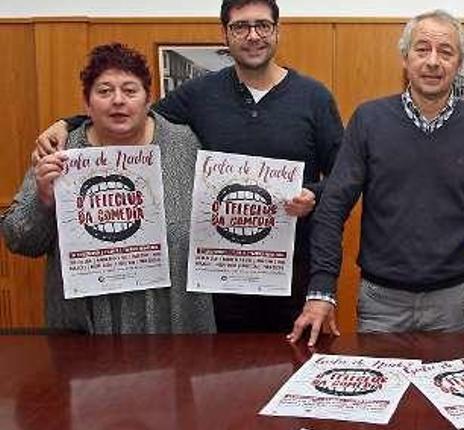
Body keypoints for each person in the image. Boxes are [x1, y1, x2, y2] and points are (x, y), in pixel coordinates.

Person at [33, 0, 344, 333]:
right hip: (216, 284)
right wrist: (69, 122)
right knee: (220, 380)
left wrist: (313, 193)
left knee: (289, 374)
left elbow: (343, 179)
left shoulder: (314, 97)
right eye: (240, 27)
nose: (253, 35)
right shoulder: (199, 94)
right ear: (225, 34)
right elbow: (135, 115)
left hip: (292, 277)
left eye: (262, 25)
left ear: (277, 31)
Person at [288, 10, 464, 346]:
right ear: (405, 57)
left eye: (446, 52)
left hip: (456, 304)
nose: (432, 61)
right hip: (380, 305)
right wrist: (322, 289)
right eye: (422, 49)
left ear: (459, 63)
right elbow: (332, 208)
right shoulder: (368, 120)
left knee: (451, 398)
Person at [1, 43, 214, 333]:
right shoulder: (61, 150)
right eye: (104, 91)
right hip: (90, 325)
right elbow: (20, 241)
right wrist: (44, 201)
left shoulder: (184, 144)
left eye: (130, 90)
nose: (118, 101)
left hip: (174, 318)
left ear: (147, 99)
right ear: (87, 103)